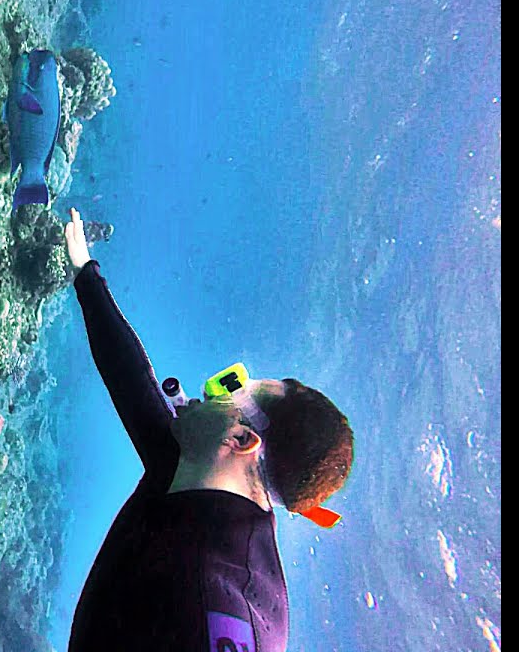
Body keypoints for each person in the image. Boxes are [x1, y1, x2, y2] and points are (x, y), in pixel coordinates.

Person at [62, 207, 355, 652]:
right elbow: (132, 381)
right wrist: (85, 271)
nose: (206, 389)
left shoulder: (221, 601)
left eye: (233, 390)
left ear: (240, 441)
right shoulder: (185, 466)